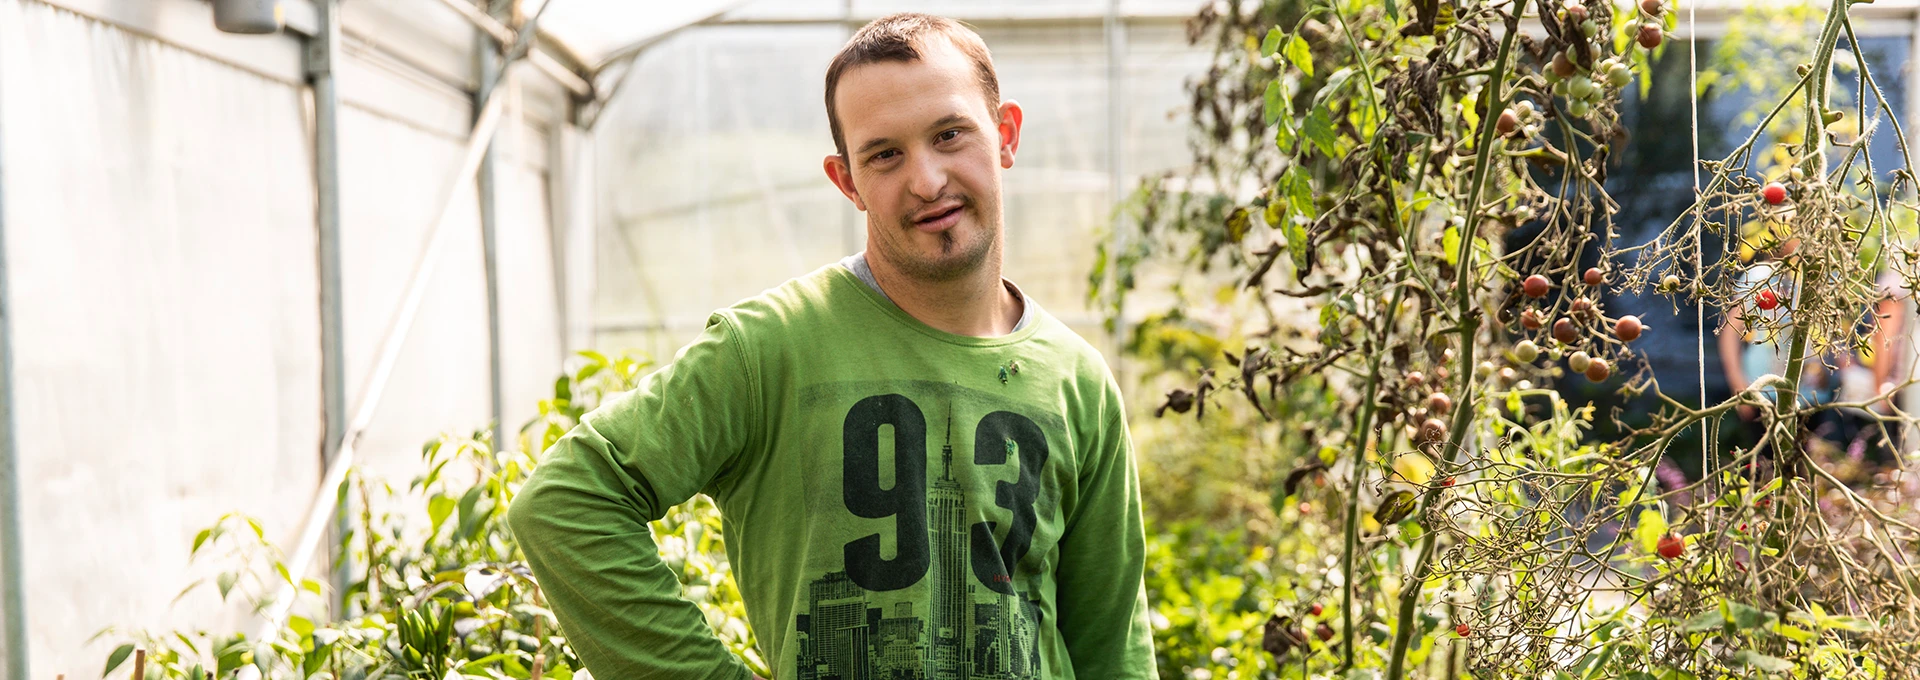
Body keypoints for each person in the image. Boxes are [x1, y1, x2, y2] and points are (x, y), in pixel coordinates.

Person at [508, 13, 1159, 680]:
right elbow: (566, 501)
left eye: (950, 134)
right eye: (885, 154)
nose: (927, 180)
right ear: (846, 181)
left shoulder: (1076, 379)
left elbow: (1112, 646)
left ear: (1006, 135)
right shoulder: (769, 349)